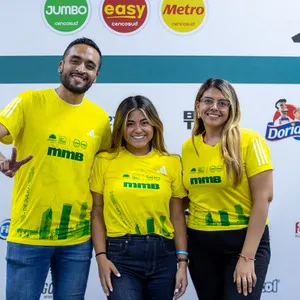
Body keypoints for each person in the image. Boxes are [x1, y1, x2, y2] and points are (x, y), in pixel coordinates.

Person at [0, 37, 111, 300]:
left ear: (96, 75)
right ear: (61, 65)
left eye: (89, 65)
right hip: (28, 236)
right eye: (75, 60)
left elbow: (109, 171)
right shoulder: (29, 101)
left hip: (77, 240)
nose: (81, 68)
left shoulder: (100, 120)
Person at [182, 78, 273, 300]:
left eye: (223, 103)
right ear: (198, 105)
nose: (214, 107)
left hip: (242, 244)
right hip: (201, 246)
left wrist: (247, 257)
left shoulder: (250, 141)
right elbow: (189, 195)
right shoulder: (189, 146)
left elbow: (264, 197)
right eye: (208, 101)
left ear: (232, 108)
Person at [90, 95, 188, 300]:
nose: (138, 130)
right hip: (120, 254)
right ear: (120, 127)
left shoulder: (171, 162)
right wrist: (100, 257)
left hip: (164, 255)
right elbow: (97, 212)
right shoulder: (105, 160)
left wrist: (182, 262)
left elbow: (177, 216)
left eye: (144, 123)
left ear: (154, 126)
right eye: (130, 124)